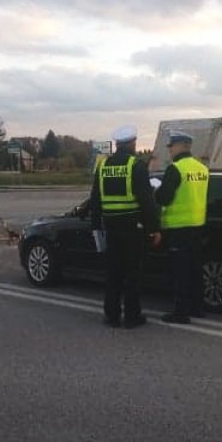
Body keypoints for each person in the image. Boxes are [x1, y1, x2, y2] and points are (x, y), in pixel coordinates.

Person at [90, 125, 161, 328]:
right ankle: (132, 316)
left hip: (110, 228)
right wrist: (154, 228)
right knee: (132, 274)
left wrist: (95, 226)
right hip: (132, 229)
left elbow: (95, 199)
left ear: (117, 144)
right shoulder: (135, 166)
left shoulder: (103, 166)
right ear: (132, 143)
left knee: (113, 273)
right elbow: (147, 201)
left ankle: (111, 316)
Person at [154, 130, 209, 324]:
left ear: (181, 146)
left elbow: (164, 198)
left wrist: (156, 191)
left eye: (171, 146)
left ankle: (180, 312)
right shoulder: (202, 168)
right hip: (198, 225)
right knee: (195, 269)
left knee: (180, 272)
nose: (169, 149)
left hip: (178, 227)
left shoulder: (175, 169)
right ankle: (197, 308)